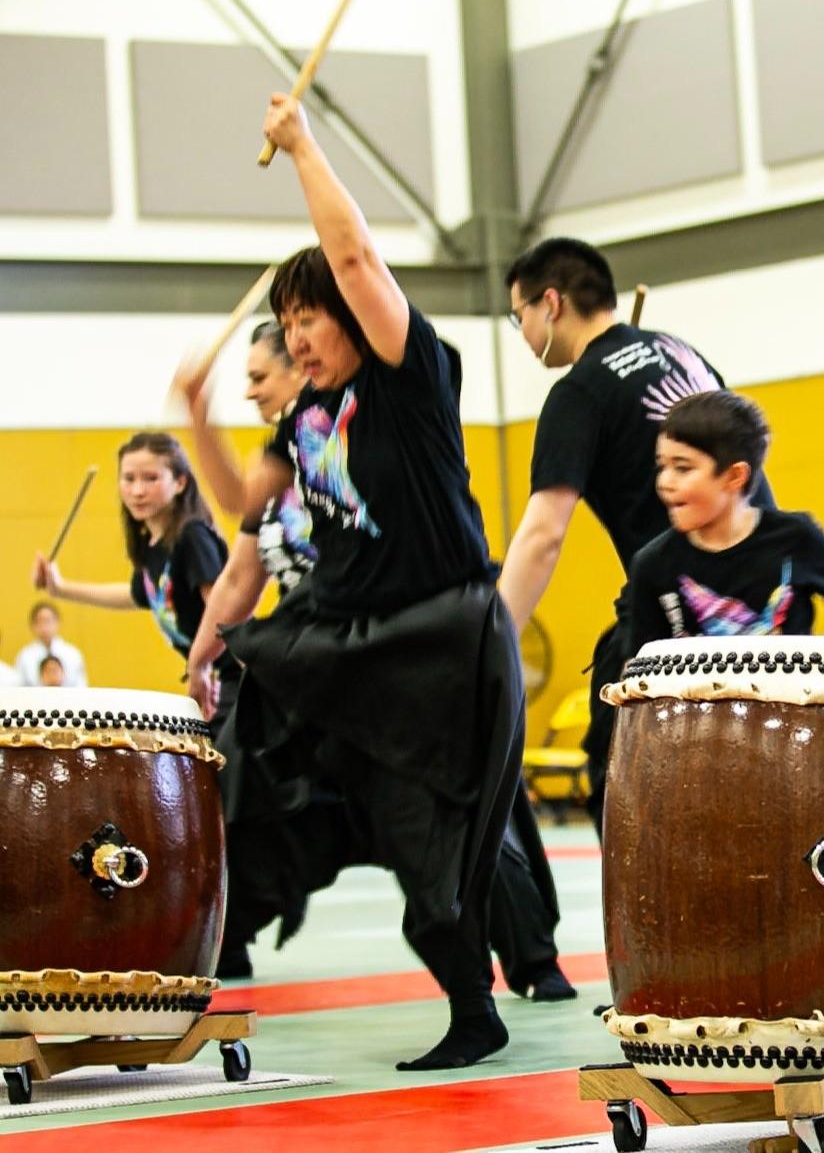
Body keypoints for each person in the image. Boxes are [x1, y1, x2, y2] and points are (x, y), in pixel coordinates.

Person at [219, 89, 526, 1070]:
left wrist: (303, 145)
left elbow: (352, 256)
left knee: (431, 849)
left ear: (353, 314)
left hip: (433, 637)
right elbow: (243, 508)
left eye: (308, 319)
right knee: (256, 737)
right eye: (287, 324)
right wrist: (192, 410)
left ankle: (479, 1000)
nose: (297, 339)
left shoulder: (410, 376)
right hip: (346, 641)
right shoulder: (304, 418)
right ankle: (237, 913)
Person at [181, 324, 575, 1000]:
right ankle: (229, 936)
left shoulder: (371, 435)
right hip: (324, 670)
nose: (249, 390)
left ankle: (532, 961)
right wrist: (200, 660)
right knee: (255, 784)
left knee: (459, 804)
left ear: (308, 365)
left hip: (396, 653)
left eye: (259, 376)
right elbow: (242, 563)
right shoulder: (289, 450)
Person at [499, 237, 773, 835]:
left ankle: (650, 925)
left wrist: (492, 645)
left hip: (682, 614)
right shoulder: (681, 352)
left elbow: (543, 533)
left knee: (622, 782)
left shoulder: (579, 392)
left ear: (551, 304)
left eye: (517, 315)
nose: (520, 332)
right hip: (765, 601)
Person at [627, 391, 824, 652]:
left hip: (792, 700)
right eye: (662, 466)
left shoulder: (794, 537)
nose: (665, 482)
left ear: (735, 476)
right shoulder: (653, 565)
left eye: (683, 468)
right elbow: (639, 663)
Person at [31, 432, 238, 719]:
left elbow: (225, 611)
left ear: (180, 482)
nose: (138, 490)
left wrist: (198, 665)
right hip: (214, 677)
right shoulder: (154, 546)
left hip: (237, 676)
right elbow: (138, 594)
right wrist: (61, 588)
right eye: (129, 479)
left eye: (150, 478)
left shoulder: (191, 536)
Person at [16, 601, 88, 687]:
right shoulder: (25, 656)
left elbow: (81, 686)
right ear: (32, 625)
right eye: (39, 621)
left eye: (48, 621)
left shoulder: (73, 654)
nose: (44, 627)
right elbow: (20, 688)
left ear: (58, 622)